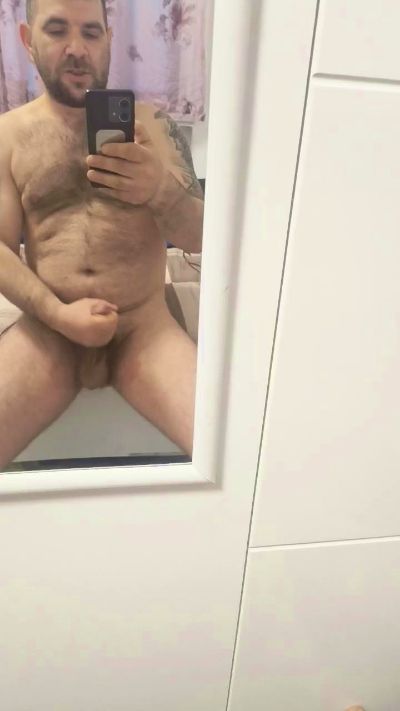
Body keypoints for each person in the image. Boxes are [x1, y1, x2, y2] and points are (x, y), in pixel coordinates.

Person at [0, 0, 204, 468]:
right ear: (28, 41)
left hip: (144, 329)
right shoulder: (7, 136)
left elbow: (200, 238)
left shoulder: (155, 127)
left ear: (109, 41)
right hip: (50, 327)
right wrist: (57, 313)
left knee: (238, 453)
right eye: (57, 30)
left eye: (91, 33)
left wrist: (159, 191)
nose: (77, 48)